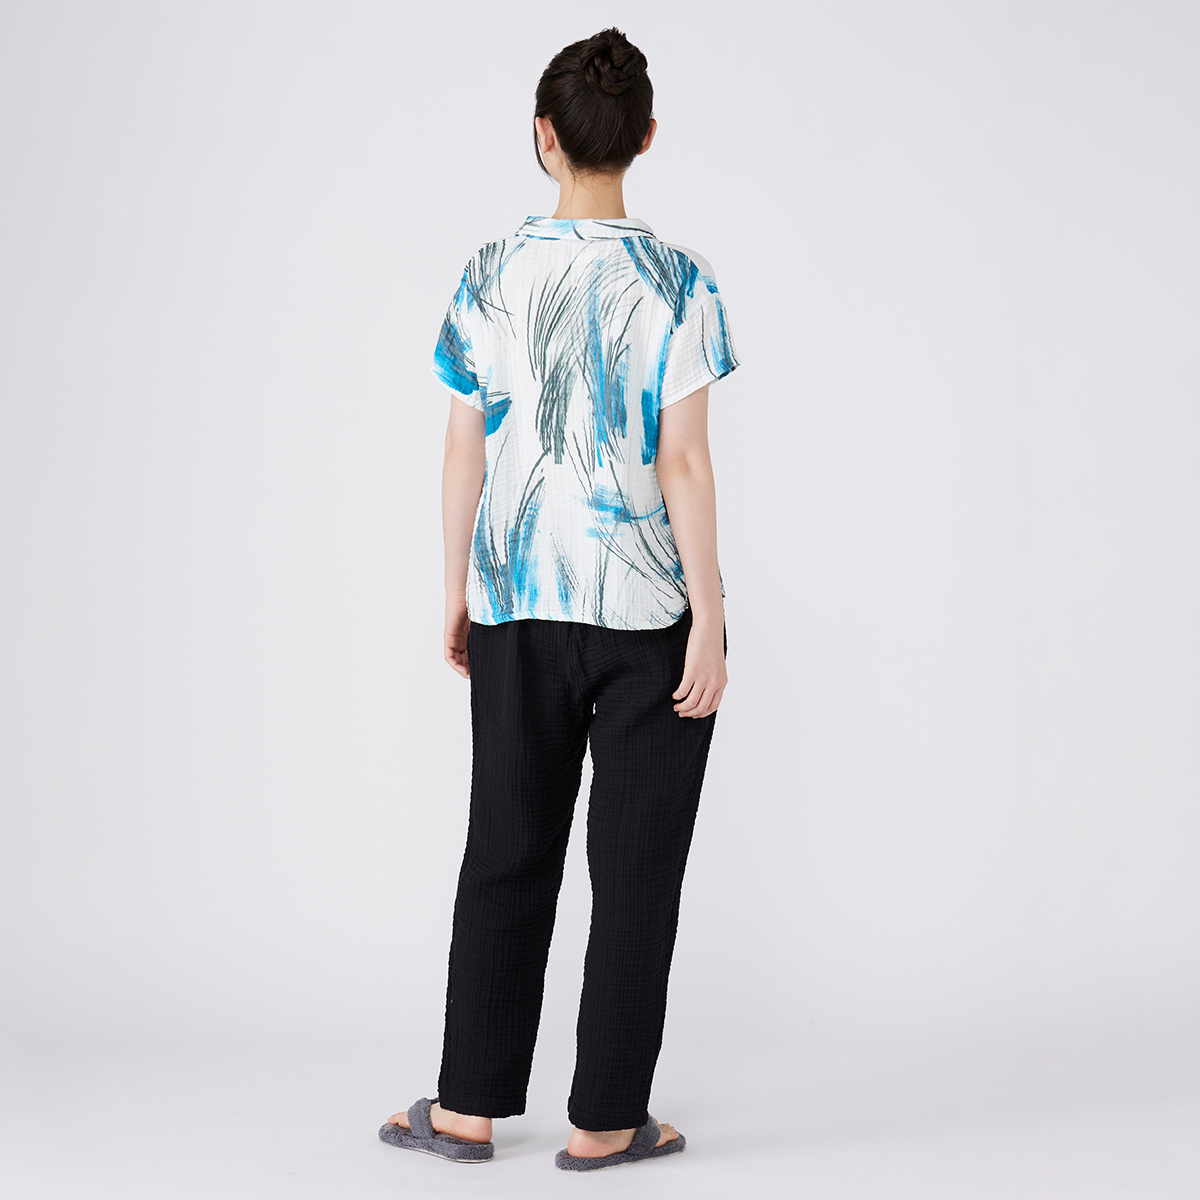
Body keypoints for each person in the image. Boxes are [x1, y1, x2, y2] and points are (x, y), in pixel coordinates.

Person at [379, 25, 740, 1172]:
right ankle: (604, 1124)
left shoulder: (489, 272)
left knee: (506, 849)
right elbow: (684, 463)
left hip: (516, 602)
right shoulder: (681, 281)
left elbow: (463, 450)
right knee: (636, 873)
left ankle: (467, 1111)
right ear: (645, 137)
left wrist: (456, 589)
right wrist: (711, 621)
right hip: (647, 617)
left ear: (544, 136)